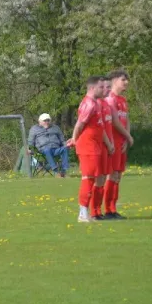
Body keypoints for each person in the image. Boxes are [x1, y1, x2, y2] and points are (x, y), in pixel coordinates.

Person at [67, 76, 104, 223]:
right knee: (88, 179)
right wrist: (75, 139)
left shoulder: (94, 103)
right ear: (93, 88)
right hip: (88, 147)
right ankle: (82, 214)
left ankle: (86, 212)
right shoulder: (89, 104)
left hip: (93, 146)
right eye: (101, 87)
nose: (103, 89)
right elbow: (79, 124)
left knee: (92, 178)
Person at [104, 70, 133, 219]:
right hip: (113, 142)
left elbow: (126, 119)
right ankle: (108, 209)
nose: (126, 82)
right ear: (114, 81)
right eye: (123, 79)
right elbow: (115, 122)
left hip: (122, 142)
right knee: (112, 175)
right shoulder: (110, 99)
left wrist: (127, 138)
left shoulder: (122, 100)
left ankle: (113, 209)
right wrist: (127, 136)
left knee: (118, 176)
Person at [90, 76, 115, 220]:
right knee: (98, 178)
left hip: (107, 147)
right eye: (105, 87)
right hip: (100, 146)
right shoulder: (96, 104)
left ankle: (99, 210)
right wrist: (109, 143)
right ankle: (94, 211)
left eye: (109, 87)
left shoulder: (106, 104)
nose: (107, 89)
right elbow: (100, 129)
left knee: (103, 178)